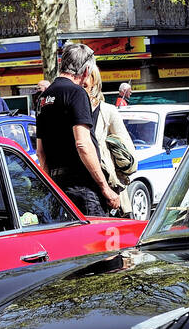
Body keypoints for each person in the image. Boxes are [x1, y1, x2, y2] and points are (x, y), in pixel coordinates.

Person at [36, 42, 120, 216]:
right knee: (93, 242)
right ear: (87, 70)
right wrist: (105, 188)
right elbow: (82, 144)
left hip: (58, 187)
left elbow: (40, 152)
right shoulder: (77, 93)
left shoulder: (44, 97)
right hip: (83, 187)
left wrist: (51, 188)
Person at [86, 60, 138, 216]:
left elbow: (128, 152)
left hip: (108, 188)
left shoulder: (108, 111)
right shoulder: (70, 111)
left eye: (85, 83)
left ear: (95, 82)